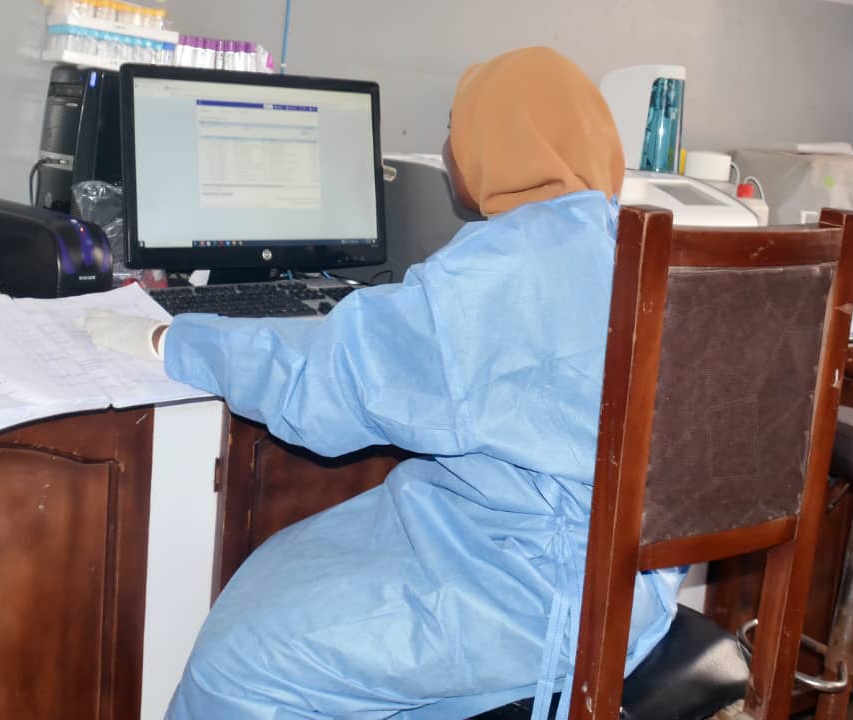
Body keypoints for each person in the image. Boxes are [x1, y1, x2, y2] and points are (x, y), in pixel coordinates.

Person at [85, 46, 685, 720]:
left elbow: (322, 386)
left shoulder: (497, 270)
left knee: (240, 659)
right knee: (296, 567)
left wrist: (172, 340)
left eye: (458, 126)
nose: (450, 148)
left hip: (535, 597)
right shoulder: (631, 242)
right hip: (634, 587)